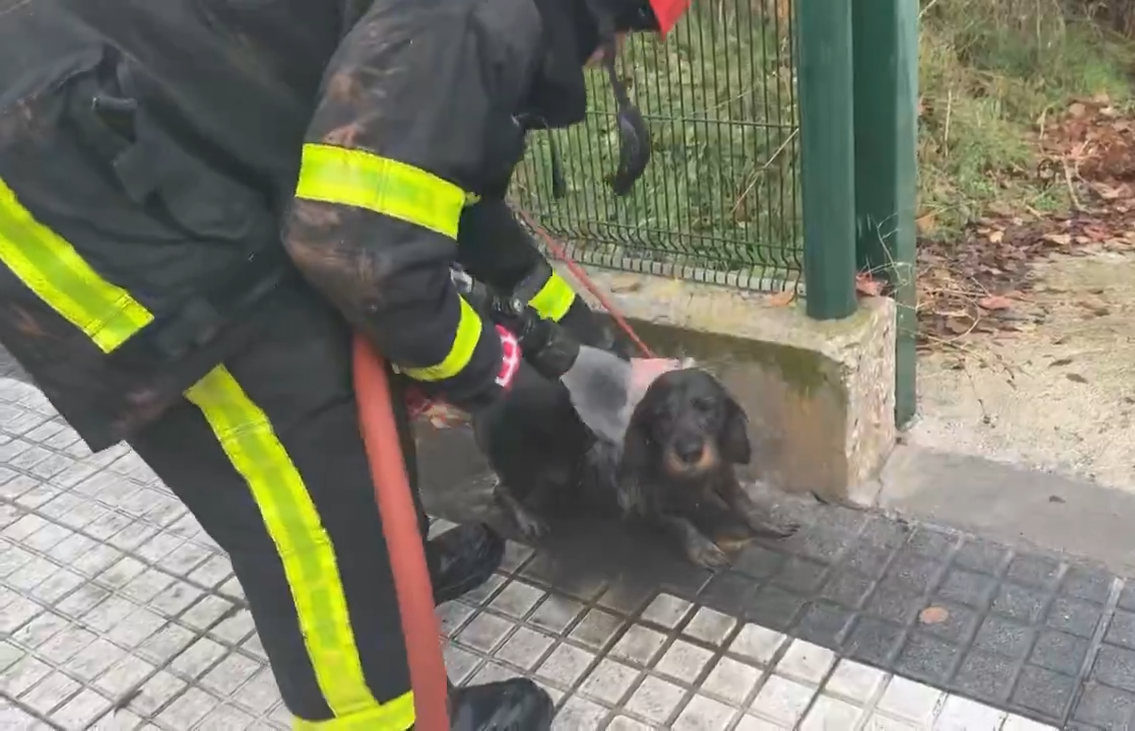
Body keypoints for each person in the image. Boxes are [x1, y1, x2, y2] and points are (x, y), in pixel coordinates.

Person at [0, 0, 689, 727]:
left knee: (351, 393)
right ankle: (387, 715)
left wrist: (589, 351)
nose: (607, 58)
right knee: (298, 452)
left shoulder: (485, 22)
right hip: (74, 170)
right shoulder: (481, 15)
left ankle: (388, 585)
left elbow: (443, 206)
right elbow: (362, 252)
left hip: (144, 130)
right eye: (621, 37)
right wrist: (488, 368)